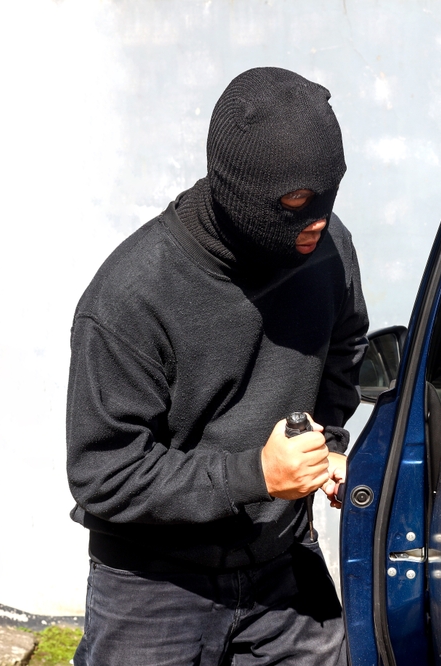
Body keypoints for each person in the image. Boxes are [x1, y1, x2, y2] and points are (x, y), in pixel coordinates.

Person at [65, 67, 368, 666]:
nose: (317, 219)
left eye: (330, 193)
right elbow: (103, 473)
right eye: (296, 202)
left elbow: (345, 350)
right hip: (152, 589)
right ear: (240, 189)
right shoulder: (132, 295)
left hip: (282, 566)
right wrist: (254, 475)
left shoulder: (329, 251)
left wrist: (323, 445)